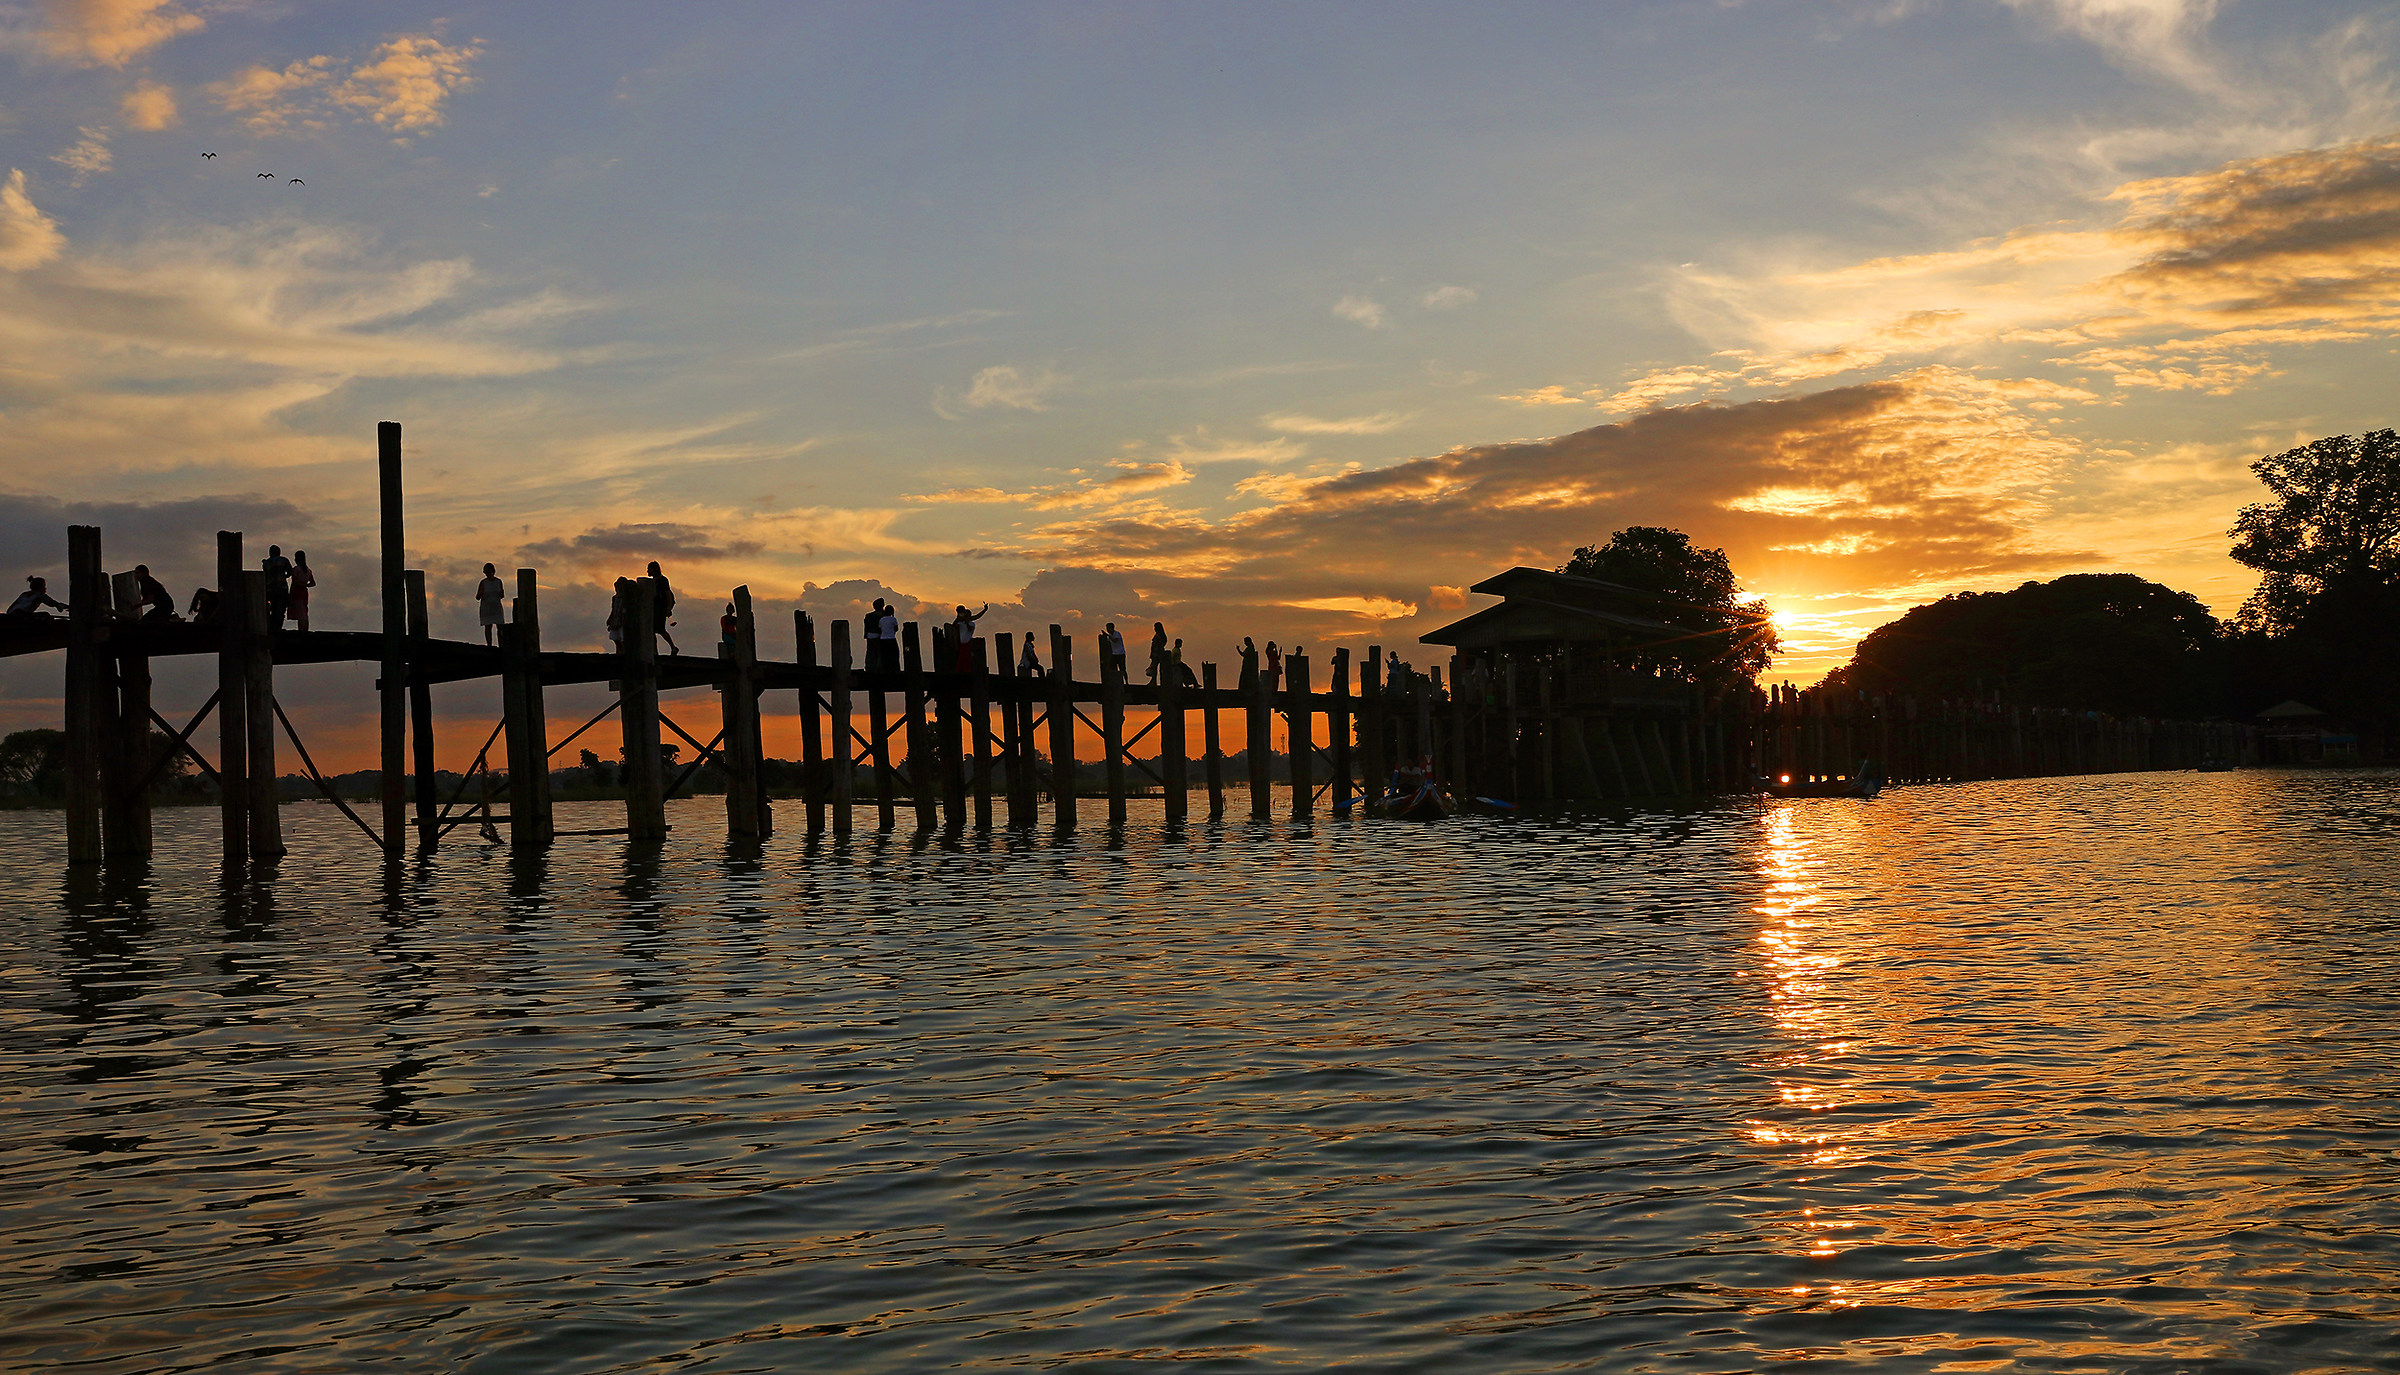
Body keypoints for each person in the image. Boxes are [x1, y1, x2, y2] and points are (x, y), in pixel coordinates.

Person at [645, 561, 679, 655]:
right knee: (653, 630)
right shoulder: (653, 581)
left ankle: (672, 647)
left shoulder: (662, 580)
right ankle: (655, 651)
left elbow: (667, 593)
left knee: (660, 629)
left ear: (653, 569)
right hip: (655, 609)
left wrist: (668, 608)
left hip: (660, 609)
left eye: (649, 568)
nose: (647, 571)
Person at [261, 545, 292, 625]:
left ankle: (272, 626)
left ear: (270, 553)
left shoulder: (266, 563)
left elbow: (265, 575)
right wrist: (283, 576)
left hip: (270, 589)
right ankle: (278, 626)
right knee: (281, 609)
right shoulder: (284, 560)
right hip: (282, 588)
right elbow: (290, 572)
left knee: (273, 608)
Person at [951, 602, 988, 672]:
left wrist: (984, 610)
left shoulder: (970, 623)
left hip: (966, 644)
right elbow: (954, 625)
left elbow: (977, 616)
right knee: (960, 661)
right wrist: (958, 618)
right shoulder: (959, 622)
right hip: (959, 644)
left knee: (965, 661)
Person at [476, 563, 506, 645]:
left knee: (500, 626)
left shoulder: (498, 581)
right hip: (486, 608)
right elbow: (477, 597)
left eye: (488, 572)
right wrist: (481, 593)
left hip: (496, 607)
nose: (487, 574)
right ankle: (489, 645)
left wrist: (501, 593)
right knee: (488, 626)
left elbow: (501, 595)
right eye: (485, 572)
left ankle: (501, 644)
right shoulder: (483, 582)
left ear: (493, 571)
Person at [287, 551, 315, 631]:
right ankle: (305, 629)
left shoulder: (296, 569)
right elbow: (313, 583)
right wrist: (305, 585)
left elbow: (294, 584)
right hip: (304, 593)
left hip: (297, 592)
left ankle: (301, 630)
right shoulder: (308, 570)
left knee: (300, 614)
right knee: (304, 612)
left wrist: (290, 596)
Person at [865, 597, 892, 670]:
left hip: (870, 636)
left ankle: (869, 667)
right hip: (880, 636)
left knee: (870, 653)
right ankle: (879, 668)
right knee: (880, 653)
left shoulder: (868, 615)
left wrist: (866, 635)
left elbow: (866, 627)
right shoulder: (884, 615)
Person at [607, 577, 630, 648]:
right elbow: (613, 609)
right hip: (615, 620)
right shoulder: (615, 598)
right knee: (616, 639)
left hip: (623, 620)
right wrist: (610, 619)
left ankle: (623, 653)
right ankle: (619, 652)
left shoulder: (627, 598)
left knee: (623, 639)